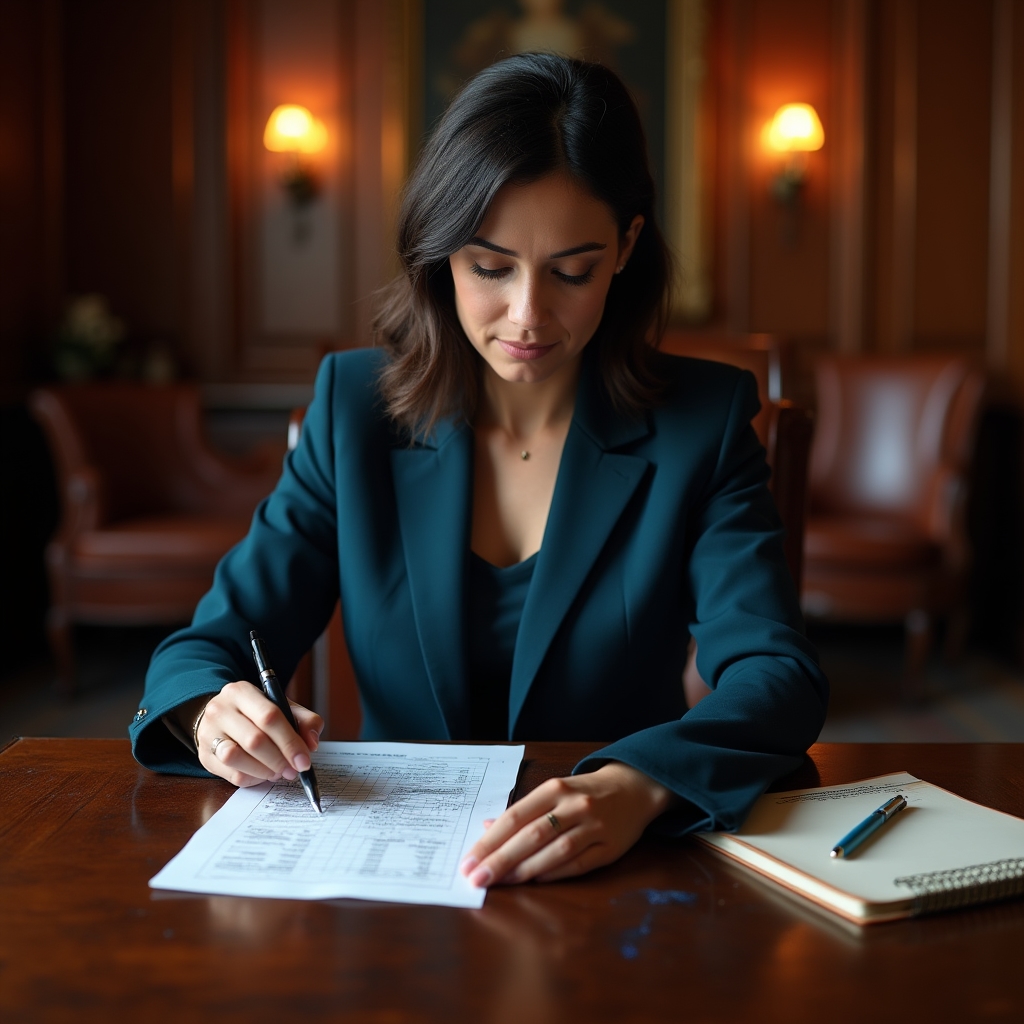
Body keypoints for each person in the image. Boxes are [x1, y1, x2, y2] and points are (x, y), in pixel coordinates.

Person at [131, 53, 828, 889]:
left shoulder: (701, 423)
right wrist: (213, 712)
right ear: (439, 254)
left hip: (615, 874)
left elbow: (775, 674)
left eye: (571, 271)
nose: (528, 316)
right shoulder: (355, 409)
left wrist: (638, 787)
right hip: (384, 871)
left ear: (626, 247)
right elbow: (209, 646)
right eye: (489, 267)